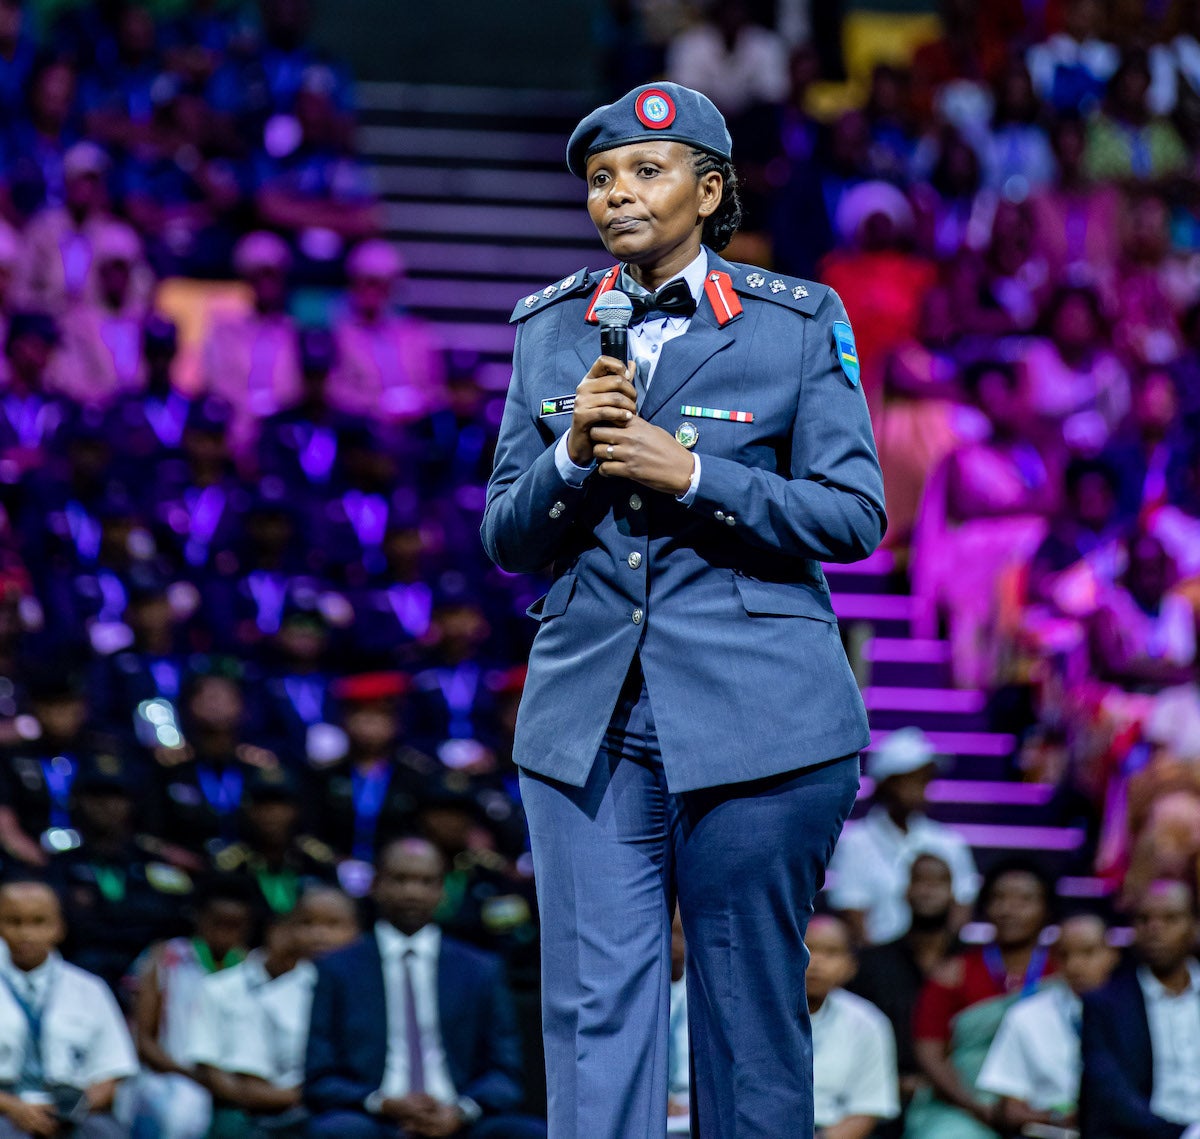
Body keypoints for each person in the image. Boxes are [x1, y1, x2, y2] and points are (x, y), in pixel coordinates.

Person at [481, 82, 885, 1138]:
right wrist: (571, 453)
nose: (617, 193)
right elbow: (507, 537)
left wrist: (693, 471)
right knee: (590, 1005)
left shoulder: (798, 320)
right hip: (589, 714)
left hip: (764, 715)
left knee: (748, 1002)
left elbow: (853, 516)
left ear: (709, 191)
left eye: (646, 172)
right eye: (601, 178)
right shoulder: (551, 326)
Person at [303, 836, 545, 1138]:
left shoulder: (480, 969)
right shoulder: (338, 968)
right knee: (336, 1132)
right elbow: (319, 1076)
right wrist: (383, 1103)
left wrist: (460, 1111)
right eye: (400, 879)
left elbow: (506, 1073)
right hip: (375, 1117)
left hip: (460, 1118)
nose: (412, 892)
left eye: (426, 881)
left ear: (442, 890)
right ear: (375, 884)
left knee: (527, 1133)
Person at [187, 888, 359, 1139]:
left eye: (333, 925)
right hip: (294, 1112)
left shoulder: (382, 989)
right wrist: (319, 1094)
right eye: (307, 924)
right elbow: (249, 1082)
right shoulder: (276, 996)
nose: (319, 935)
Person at [907, 858, 1057, 1139]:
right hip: (962, 1105)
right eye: (999, 898)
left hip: (1046, 1105)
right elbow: (930, 1054)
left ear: (1047, 910)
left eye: (1025, 900)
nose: (1010, 910)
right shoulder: (953, 974)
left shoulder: (1062, 976)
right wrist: (978, 1107)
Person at [0, 879, 137, 1139]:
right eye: (14, 921)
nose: (26, 933)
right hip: (5, 1107)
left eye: (39, 922)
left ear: (59, 927)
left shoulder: (90, 989)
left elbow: (110, 1072)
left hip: (71, 1108)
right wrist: (13, 1107)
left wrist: (69, 1110)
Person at [124, 876, 258, 1139]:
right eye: (217, 923)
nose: (225, 933)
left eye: (235, 926)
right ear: (198, 918)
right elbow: (143, 1040)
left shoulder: (252, 968)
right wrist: (191, 1074)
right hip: (172, 1074)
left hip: (233, 1080)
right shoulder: (166, 958)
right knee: (179, 1116)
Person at [828, 727, 979, 944]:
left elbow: (962, 907)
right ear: (887, 783)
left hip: (937, 965)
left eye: (925, 778)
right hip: (878, 965)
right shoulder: (855, 842)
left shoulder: (949, 841)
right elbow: (853, 915)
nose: (922, 787)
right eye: (911, 778)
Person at [1080, 879, 1200, 1138]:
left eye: (1170, 918)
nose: (1155, 929)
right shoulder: (1105, 1004)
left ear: (1194, 926)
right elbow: (1112, 1095)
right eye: (1144, 919)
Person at [978, 913, 1118, 1134]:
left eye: (1088, 953)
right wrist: (1060, 1118)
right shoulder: (1026, 1016)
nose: (1074, 965)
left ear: (1112, 955)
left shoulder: (1138, 1013)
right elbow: (1010, 1111)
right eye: (1064, 955)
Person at [850, 851, 962, 1117]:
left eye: (938, 883)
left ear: (955, 896)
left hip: (958, 1097)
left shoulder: (972, 962)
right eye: (920, 881)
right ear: (905, 892)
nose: (928, 891)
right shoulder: (870, 962)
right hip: (881, 1096)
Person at [805, 915, 901, 1139]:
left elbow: (866, 1111)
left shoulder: (868, 1023)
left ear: (850, 966)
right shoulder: (756, 1018)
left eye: (831, 953)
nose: (816, 962)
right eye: (807, 948)